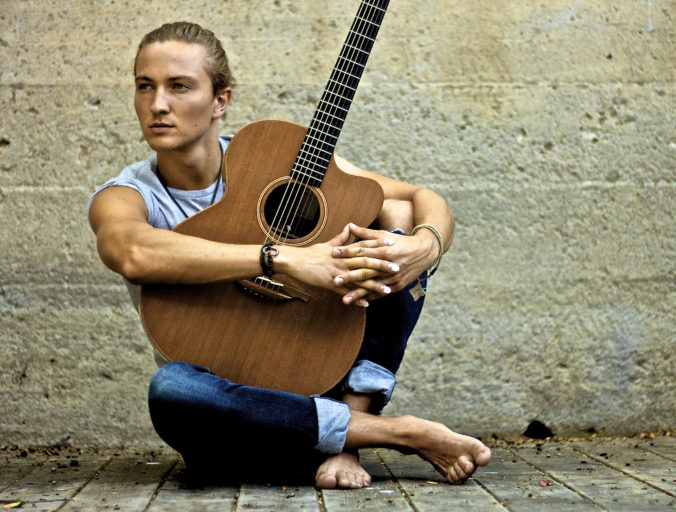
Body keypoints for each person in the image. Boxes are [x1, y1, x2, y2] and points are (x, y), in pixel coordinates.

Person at [88, 21, 491, 488]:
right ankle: (392, 433)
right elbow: (131, 251)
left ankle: (348, 432)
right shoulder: (126, 193)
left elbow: (419, 197)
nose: (158, 104)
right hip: (226, 415)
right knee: (172, 388)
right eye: (145, 86)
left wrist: (425, 245)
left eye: (179, 86)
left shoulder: (271, 156)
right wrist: (282, 258)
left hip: (314, 374)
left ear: (221, 100)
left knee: (397, 216)